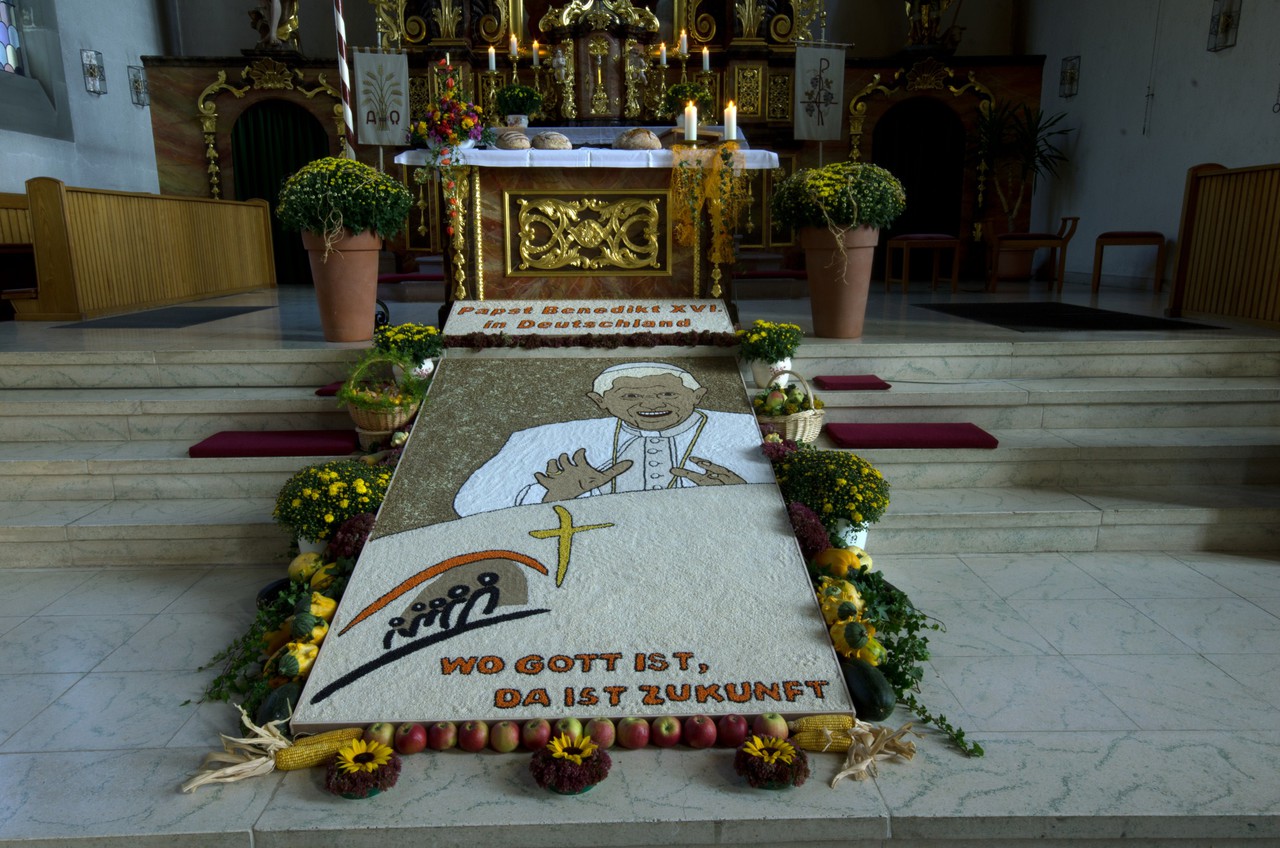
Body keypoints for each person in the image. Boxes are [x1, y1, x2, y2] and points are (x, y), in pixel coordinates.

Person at [453, 362, 773, 517]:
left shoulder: (745, 428)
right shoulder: (545, 438)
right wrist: (552, 495)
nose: (651, 404)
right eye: (630, 396)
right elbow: (471, 504)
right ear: (600, 402)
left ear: (697, 396)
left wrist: (741, 495)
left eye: (667, 394)